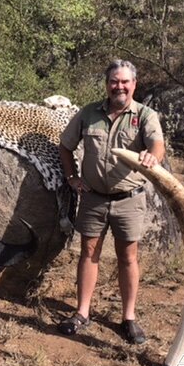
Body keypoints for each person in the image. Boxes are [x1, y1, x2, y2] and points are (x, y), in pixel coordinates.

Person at [57, 59, 165, 344]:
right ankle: (82, 313)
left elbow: (157, 144)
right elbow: (66, 146)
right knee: (88, 252)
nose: (119, 86)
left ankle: (128, 318)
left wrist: (153, 156)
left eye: (125, 81)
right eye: (114, 81)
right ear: (107, 84)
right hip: (92, 198)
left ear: (134, 84)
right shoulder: (88, 113)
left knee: (127, 257)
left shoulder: (144, 115)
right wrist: (71, 177)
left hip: (128, 200)